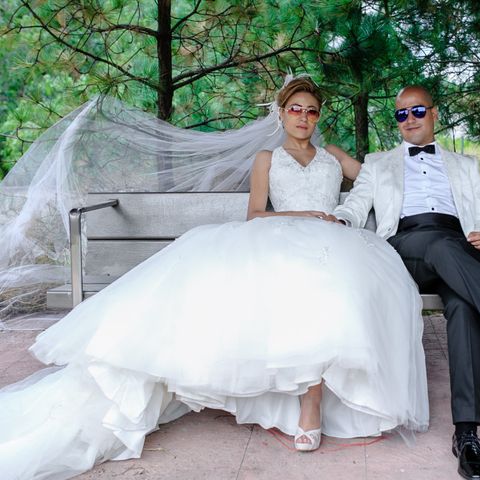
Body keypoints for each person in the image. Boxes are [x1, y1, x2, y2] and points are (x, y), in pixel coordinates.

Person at [0, 77, 429, 479]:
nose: (303, 117)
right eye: (295, 109)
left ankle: (312, 401)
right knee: (277, 288)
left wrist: (420, 152)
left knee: (331, 289)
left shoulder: (334, 155)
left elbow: (378, 178)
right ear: (281, 114)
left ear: (319, 117)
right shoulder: (267, 158)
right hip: (278, 234)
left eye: (312, 111)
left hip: (332, 240)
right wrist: (305, 214)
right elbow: (256, 213)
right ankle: (282, 394)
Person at [333, 85, 480, 480]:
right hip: (407, 247)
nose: (409, 119)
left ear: (433, 113)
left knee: (463, 304)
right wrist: (339, 220)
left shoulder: (465, 165)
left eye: (416, 110)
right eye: (401, 114)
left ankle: (467, 434)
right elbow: (356, 205)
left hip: (459, 249)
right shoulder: (378, 162)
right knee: (438, 244)